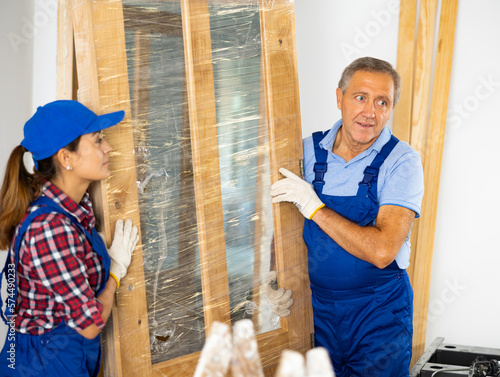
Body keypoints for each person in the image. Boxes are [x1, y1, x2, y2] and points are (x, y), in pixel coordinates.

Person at [271, 57, 424, 376]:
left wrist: (315, 208)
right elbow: (283, 225)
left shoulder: (402, 162)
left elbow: (382, 251)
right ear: (339, 97)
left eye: (382, 102)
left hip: (378, 319)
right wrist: (272, 281)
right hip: (318, 315)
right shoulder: (306, 153)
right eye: (360, 97)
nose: (370, 112)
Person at [0, 100, 139, 377]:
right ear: (66, 158)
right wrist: (114, 274)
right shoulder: (50, 228)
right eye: (97, 140)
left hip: (60, 359)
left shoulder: (76, 209)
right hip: (40, 366)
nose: (108, 147)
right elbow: (89, 324)